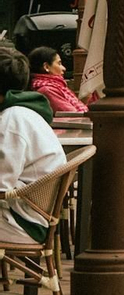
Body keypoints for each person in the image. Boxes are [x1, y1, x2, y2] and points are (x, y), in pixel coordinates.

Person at [0, 43, 66, 246]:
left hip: (23, 222)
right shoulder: (25, 113)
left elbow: (2, 185)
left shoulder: (11, 121)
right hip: (32, 214)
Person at [29, 46, 87, 115]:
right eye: (59, 63)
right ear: (46, 67)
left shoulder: (55, 87)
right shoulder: (48, 90)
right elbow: (74, 115)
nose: (64, 68)